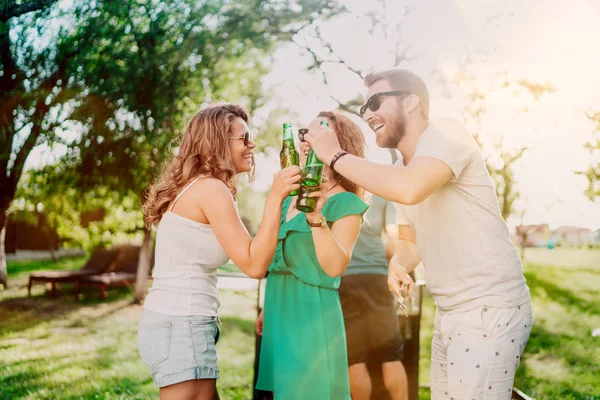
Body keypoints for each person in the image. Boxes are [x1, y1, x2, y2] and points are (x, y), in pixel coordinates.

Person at [304, 69, 533, 399]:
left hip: (489, 307)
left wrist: (335, 156)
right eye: (363, 108)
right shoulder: (400, 172)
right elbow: (409, 241)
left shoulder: (447, 133)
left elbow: (411, 189)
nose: (367, 113)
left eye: (375, 102)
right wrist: (398, 263)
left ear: (411, 102)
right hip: (450, 313)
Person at [139, 102, 301, 400]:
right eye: (243, 138)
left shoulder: (201, 187)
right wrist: (276, 196)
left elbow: (255, 254)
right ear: (217, 143)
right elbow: (254, 264)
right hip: (181, 323)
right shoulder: (211, 189)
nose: (251, 145)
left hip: (184, 323)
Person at [255, 111, 369, 400]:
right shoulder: (287, 196)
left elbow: (334, 267)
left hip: (312, 315)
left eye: (320, 133)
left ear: (340, 146)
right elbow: (277, 258)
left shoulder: (346, 203)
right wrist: (268, 307)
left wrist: (316, 217)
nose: (307, 139)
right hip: (278, 309)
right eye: (306, 132)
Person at [339, 193, 408, 400]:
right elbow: (394, 239)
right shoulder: (380, 193)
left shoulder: (335, 191)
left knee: (354, 358)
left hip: (345, 278)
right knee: (390, 353)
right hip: (377, 277)